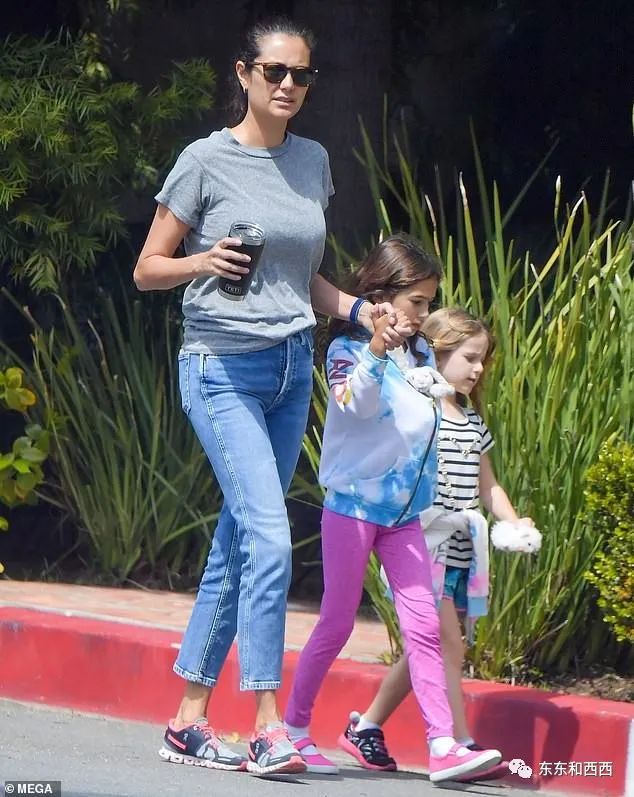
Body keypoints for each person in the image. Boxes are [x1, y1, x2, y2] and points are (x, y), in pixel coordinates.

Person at [133, 16, 403, 777]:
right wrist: (203, 261)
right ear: (244, 73)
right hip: (220, 367)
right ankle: (265, 725)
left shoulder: (312, 160)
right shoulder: (203, 161)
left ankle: (188, 721)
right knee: (270, 536)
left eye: (301, 75)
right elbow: (147, 268)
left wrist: (360, 310)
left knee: (238, 540)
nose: (288, 85)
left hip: (289, 373)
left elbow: (301, 277)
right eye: (274, 71)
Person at [283, 237, 502, 784]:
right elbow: (354, 407)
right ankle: (294, 728)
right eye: (417, 302)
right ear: (382, 295)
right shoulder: (346, 350)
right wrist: (377, 350)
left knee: (424, 627)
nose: (424, 313)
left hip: (406, 515)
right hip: (354, 507)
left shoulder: (421, 352)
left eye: (429, 302)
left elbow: (428, 411)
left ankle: (443, 745)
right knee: (336, 622)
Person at [340, 307, 535, 781]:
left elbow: (489, 485)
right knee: (448, 642)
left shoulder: (472, 421)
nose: (478, 369)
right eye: (469, 357)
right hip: (419, 546)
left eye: (482, 360)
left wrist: (514, 524)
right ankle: (458, 742)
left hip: (461, 550)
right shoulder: (419, 412)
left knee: (427, 647)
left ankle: (365, 726)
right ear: (436, 353)